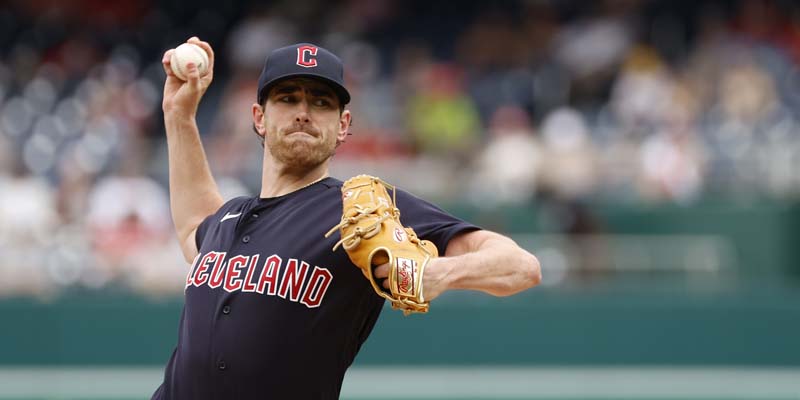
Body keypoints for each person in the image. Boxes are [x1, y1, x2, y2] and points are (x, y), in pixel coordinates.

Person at [153, 37, 541, 400]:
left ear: (342, 126)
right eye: (288, 98)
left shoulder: (359, 208)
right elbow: (193, 225)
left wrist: (440, 273)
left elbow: (521, 267)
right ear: (259, 117)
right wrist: (179, 114)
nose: (303, 113)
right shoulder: (228, 218)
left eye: (321, 102)